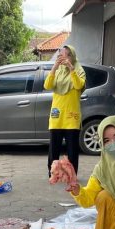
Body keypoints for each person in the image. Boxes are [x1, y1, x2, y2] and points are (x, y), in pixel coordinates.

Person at [44, 45, 86, 176]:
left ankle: (71, 175)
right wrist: (55, 67)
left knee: (72, 150)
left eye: (67, 55)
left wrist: (71, 69)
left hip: (71, 117)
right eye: (61, 55)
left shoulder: (79, 70)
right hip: (57, 116)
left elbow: (79, 85)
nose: (64, 58)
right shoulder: (57, 71)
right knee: (54, 148)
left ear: (72, 56)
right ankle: (53, 173)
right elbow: (47, 85)